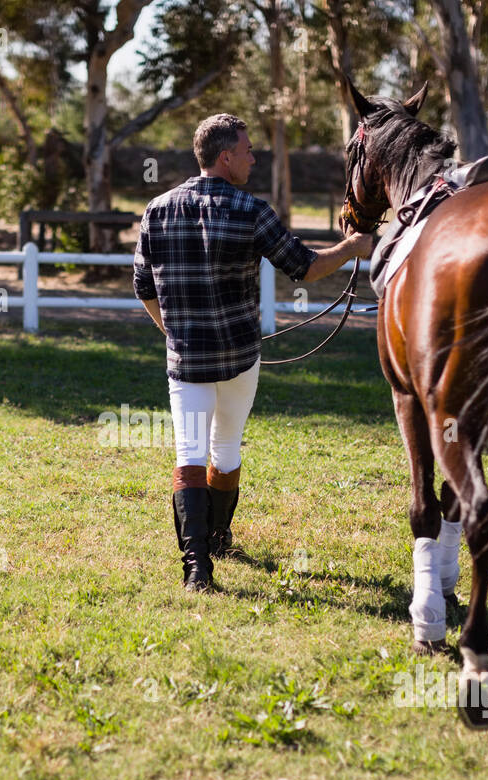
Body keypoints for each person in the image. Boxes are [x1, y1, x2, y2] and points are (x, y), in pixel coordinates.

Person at [133, 114, 376, 591]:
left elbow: (143, 286)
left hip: (186, 360)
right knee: (224, 450)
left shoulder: (157, 209)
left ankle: (197, 569)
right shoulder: (251, 209)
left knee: (189, 455)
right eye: (246, 150)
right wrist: (352, 246)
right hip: (240, 357)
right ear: (225, 157)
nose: (253, 157)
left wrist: (171, 331)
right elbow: (303, 267)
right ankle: (219, 537)